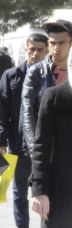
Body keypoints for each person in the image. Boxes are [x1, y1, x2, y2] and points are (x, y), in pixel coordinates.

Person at [0, 33, 48, 228]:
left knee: (49, 190)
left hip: (47, 144)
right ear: (26, 49)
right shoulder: (11, 76)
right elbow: (0, 110)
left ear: (47, 50)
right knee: (19, 192)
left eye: (40, 49)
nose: (35, 53)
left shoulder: (52, 76)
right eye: (32, 49)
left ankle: (49, 227)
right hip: (18, 143)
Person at [30, 47, 72, 228]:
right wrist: (39, 191)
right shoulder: (54, 97)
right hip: (60, 191)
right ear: (69, 66)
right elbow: (41, 147)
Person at [22, 19, 72, 157]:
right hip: (47, 144)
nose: (56, 48)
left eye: (61, 43)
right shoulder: (36, 72)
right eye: (52, 43)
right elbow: (28, 110)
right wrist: (33, 148)